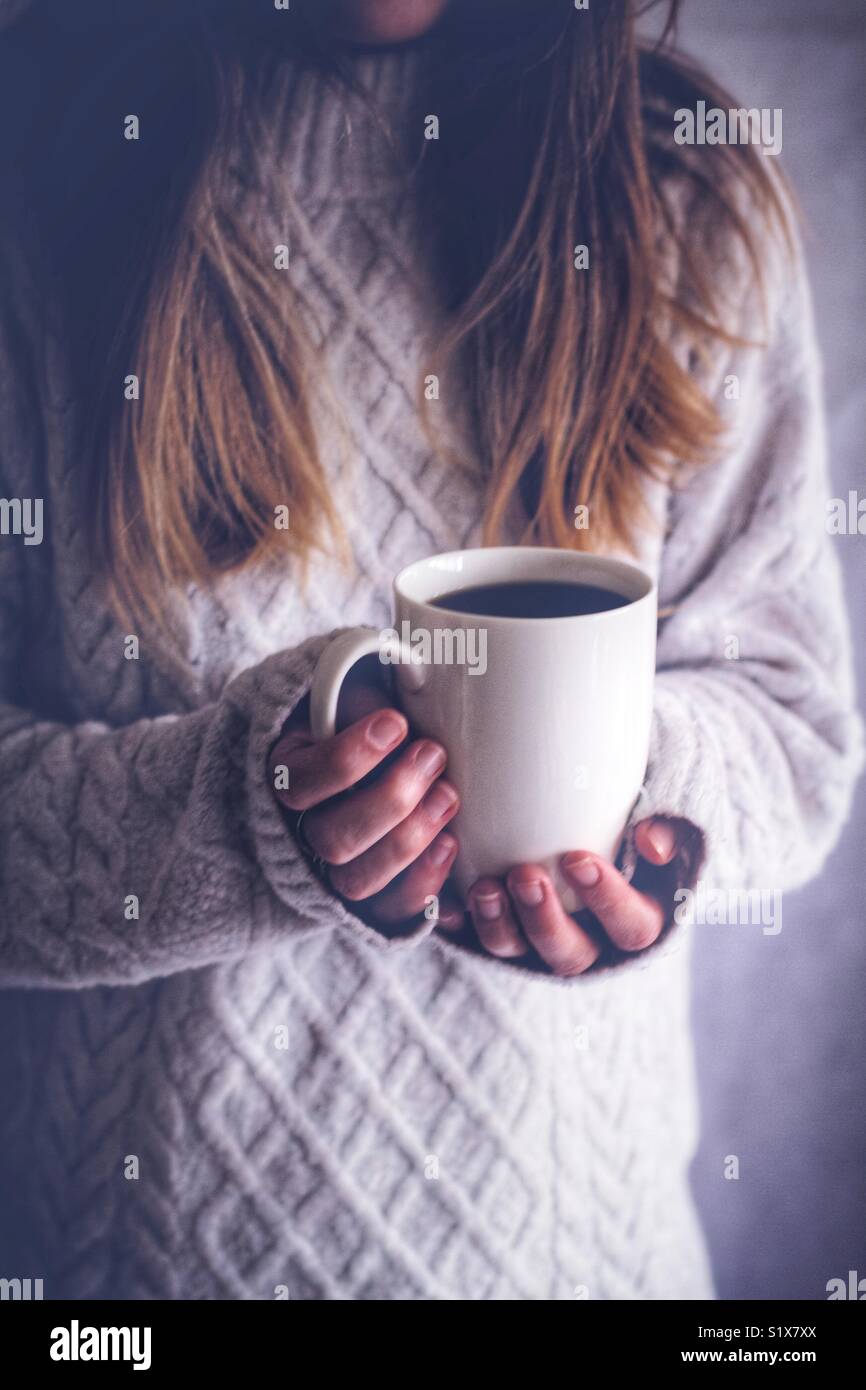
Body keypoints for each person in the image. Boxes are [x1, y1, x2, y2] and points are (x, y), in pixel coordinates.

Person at [0, 0, 861, 1300]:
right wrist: (242, 819)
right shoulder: (37, 179)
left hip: (579, 1264)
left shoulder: (678, 196)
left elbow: (790, 722)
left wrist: (638, 804)